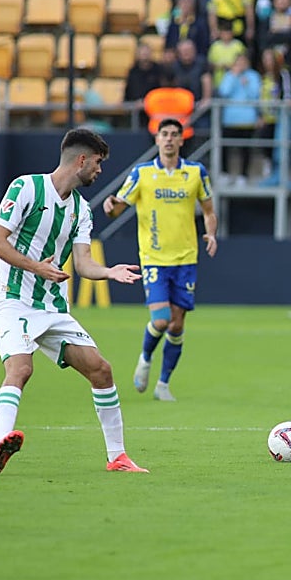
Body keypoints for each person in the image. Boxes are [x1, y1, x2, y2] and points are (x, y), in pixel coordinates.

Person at [0, 128, 148, 474]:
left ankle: (117, 457)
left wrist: (108, 272)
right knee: (21, 368)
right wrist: (36, 268)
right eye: (99, 164)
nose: (100, 171)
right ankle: (1, 442)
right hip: (13, 301)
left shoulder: (80, 209)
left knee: (101, 370)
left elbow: (83, 263)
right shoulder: (26, 187)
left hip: (52, 309)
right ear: (82, 160)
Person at [104, 119, 217, 402]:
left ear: (181, 140)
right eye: (164, 134)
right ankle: (145, 358)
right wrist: (110, 207)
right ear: (157, 140)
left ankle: (163, 384)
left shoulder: (195, 172)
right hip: (154, 258)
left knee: (178, 325)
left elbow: (208, 209)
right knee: (163, 319)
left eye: (174, 135)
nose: (168, 139)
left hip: (186, 257)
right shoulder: (142, 174)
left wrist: (211, 234)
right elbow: (118, 208)